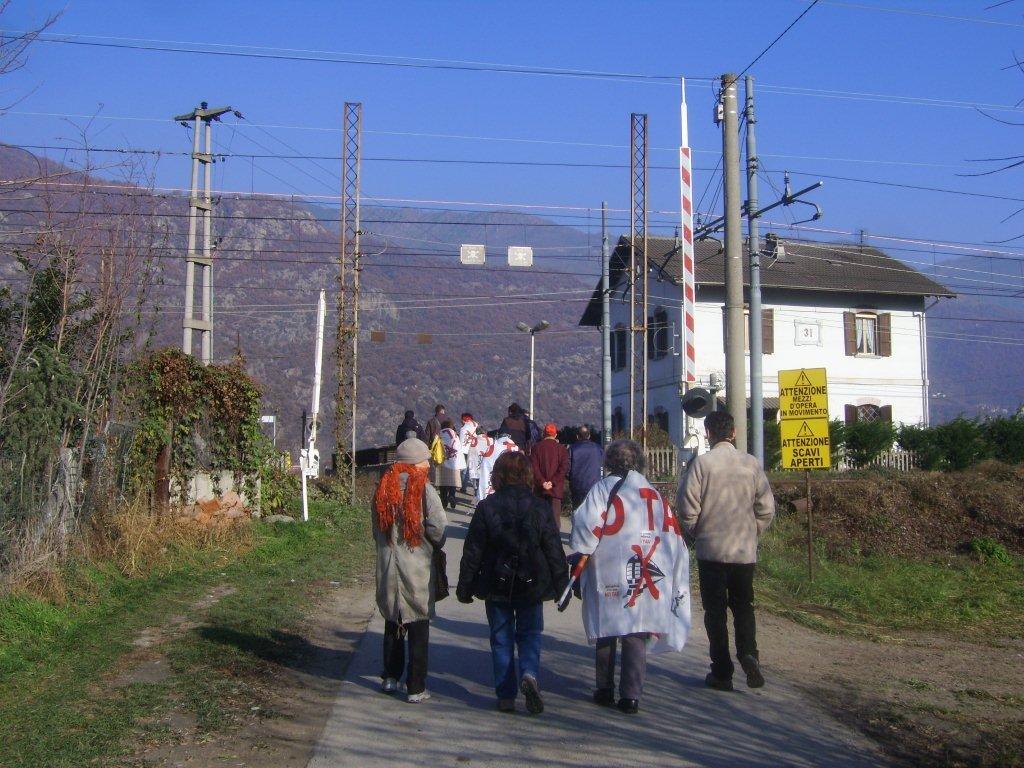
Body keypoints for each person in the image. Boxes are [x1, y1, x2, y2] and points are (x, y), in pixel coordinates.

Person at [570, 439, 691, 714]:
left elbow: (585, 527)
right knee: (637, 629)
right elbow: (672, 534)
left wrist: (580, 554)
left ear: (609, 462)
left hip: (608, 567)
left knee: (606, 627)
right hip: (647, 567)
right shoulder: (653, 493)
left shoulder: (603, 489)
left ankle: (604, 688)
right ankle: (631, 696)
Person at [457, 451, 569, 714]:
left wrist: (465, 586)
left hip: (496, 581)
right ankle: (529, 673)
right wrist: (562, 587)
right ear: (527, 476)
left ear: (498, 476)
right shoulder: (540, 507)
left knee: (501, 638)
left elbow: (473, 551)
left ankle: (506, 695)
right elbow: (554, 550)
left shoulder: (487, 507)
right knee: (530, 634)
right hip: (532, 581)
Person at [677, 410, 775, 692]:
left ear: (708, 434)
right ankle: (748, 654)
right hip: (744, 551)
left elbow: (686, 507)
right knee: (744, 607)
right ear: (733, 433)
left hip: (711, 551)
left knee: (715, 612)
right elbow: (766, 508)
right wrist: (752, 531)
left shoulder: (702, 464)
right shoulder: (751, 464)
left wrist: (697, 531)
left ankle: (722, 671)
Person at [372, 438, 448, 703]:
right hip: (417, 567)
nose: (428, 464)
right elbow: (438, 528)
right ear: (417, 463)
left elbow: (376, 529)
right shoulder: (424, 489)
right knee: (418, 625)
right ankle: (416, 687)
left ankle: (390, 677)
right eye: (426, 460)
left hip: (388, 565)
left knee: (392, 621)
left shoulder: (383, 487)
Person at [530, 423, 569, 531]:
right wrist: (552, 482)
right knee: (555, 520)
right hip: (555, 490)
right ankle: (553, 539)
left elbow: (534, 468)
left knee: (539, 519)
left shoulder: (536, 448)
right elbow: (563, 469)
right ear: (555, 435)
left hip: (539, 489)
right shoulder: (562, 449)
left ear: (543, 434)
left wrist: (542, 482)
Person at [477, 431, 520, 502]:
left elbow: (485, 464)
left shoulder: (493, 447)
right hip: (510, 476)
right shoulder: (516, 448)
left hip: (494, 473)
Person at [567, 425, 604, 507]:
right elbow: (603, 465)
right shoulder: (598, 448)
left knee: (578, 509)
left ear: (577, 436)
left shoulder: (572, 449)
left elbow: (567, 469)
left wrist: (571, 479)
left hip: (577, 486)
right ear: (589, 435)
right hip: (594, 485)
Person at [437, 419, 464, 510]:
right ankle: (452, 495)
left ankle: (444, 501)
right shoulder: (456, 436)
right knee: (453, 482)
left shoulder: (440, 434)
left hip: (443, 461)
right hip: (454, 461)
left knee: (443, 483)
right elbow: (459, 449)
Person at [458, 412, 479, 494]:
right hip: (475, 450)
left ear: (464, 419)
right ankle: (475, 489)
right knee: (473, 470)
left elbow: (461, 443)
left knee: (464, 470)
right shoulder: (476, 426)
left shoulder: (463, 429)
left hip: (465, 451)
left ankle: (463, 487)